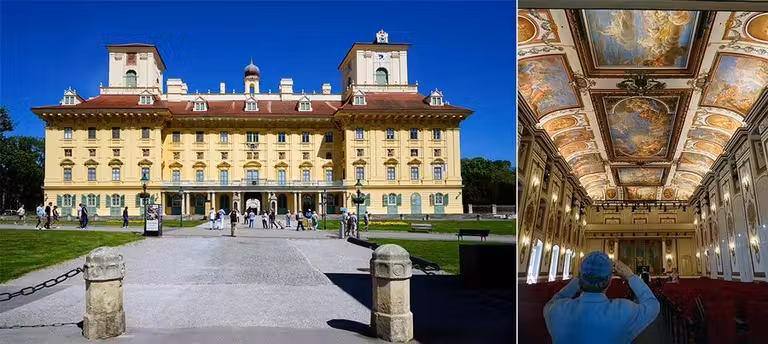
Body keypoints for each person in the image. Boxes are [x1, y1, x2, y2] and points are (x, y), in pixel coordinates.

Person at [544, 252, 659, 344]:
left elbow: (555, 300)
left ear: (580, 277)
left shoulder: (556, 311)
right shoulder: (624, 310)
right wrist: (630, 276)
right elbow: (653, 305)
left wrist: (577, 281)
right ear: (609, 281)